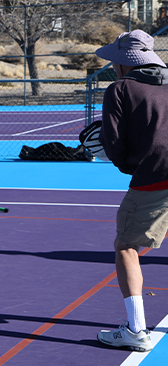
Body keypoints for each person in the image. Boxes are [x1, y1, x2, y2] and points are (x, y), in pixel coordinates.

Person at [95, 30, 168, 352]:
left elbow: (113, 145)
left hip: (155, 177)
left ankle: (137, 330)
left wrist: (125, 164)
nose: (112, 64)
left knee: (126, 247)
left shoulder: (120, 89)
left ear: (125, 62)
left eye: (115, 59)